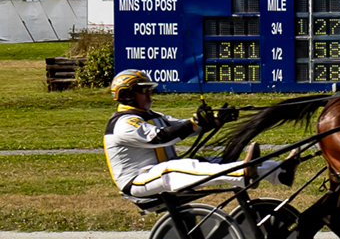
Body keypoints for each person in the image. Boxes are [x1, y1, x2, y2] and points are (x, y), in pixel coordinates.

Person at [103, 69, 298, 198]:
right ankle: (242, 173)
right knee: (175, 169)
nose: (149, 94)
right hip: (137, 182)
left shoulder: (151, 115)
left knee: (216, 161)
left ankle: (281, 171)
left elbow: (181, 126)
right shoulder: (122, 124)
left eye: (148, 90)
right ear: (127, 95)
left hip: (158, 172)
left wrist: (216, 120)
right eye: (143, 90)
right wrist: (194, 122)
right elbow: (162, 137)